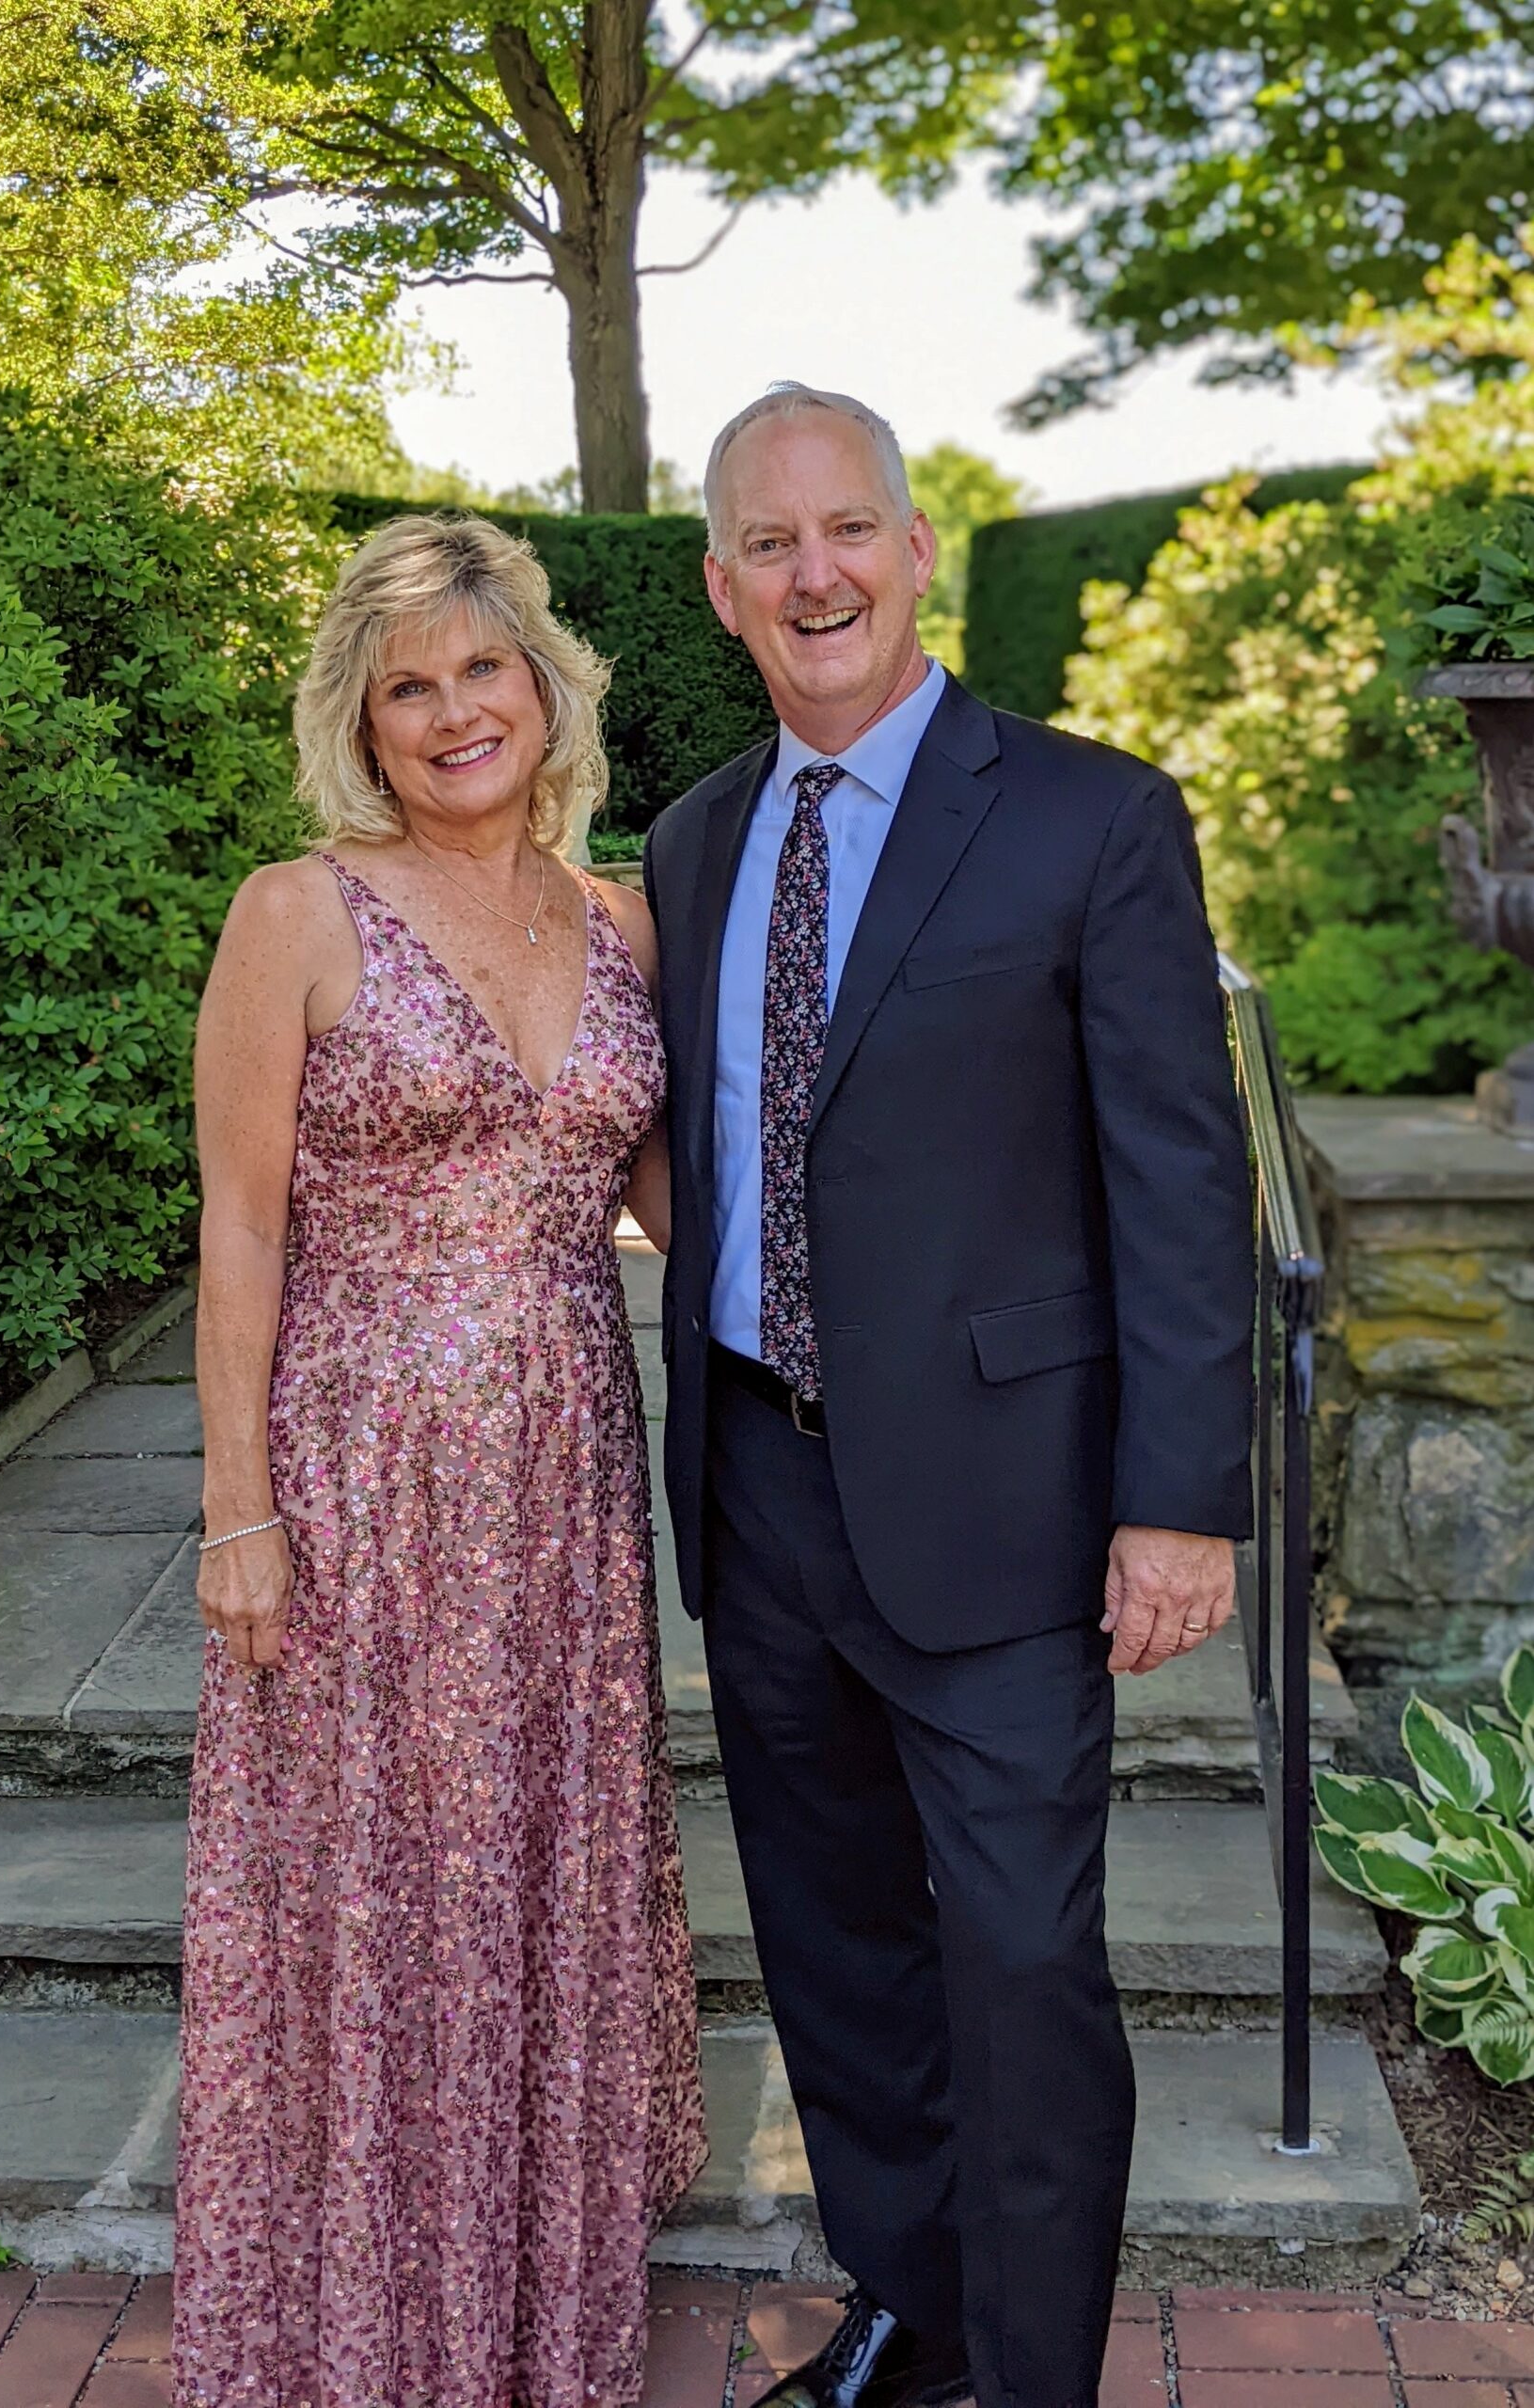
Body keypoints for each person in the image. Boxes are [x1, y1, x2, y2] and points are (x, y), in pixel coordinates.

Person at [643, 386, 1256, 2408]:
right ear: (722, 586)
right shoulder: (695, 836)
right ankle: (907, 2310)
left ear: (912, 551)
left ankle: (1035, 2375)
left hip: (1004, 1503)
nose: (811, 571)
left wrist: (1180, 1497)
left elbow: (1177, 1177)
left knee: (1015, 1968)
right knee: (834, 1956)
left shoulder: (1092, 814)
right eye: (766, 542)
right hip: (760, 1482)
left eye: (847, 530)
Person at [173, 512, 705, 2408]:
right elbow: (237, 1225)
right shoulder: (295, 911)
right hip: (356, 1477)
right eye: (410, 684)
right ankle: (355, 2318)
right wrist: (237, 1508)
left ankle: (524, 2306)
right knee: (370, 1885)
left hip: (566, 1481)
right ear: (367, 723)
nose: (454, 708)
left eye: (483, 666)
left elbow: (681, 1194)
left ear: (542, 683)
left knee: (529, 1872)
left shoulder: (625, 911)